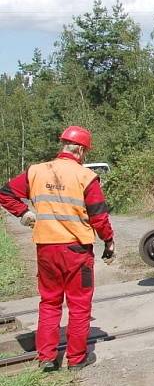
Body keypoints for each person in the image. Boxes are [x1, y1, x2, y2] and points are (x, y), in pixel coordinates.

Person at [0, 126, 114, 371]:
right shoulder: (86, 177)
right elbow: (99, 216)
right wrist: (109, 241)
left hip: (46, 250)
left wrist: (24, 213)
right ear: (81, 150)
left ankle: (47, 359)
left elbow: (5, 194)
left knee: (49, 303)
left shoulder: (36, 171)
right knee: (79, 304)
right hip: (77, 252)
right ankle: (76, 359)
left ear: (63, 145)